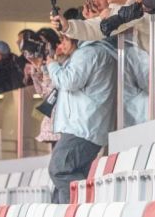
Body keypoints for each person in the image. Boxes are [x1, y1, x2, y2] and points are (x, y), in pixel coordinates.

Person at [46, 34, 116, 204]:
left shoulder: (87, 53)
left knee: (60, 170)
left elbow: (69, 81)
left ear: (76, 37)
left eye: (64, 40)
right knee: (69, 179)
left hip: (82, 127)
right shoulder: (94, 52)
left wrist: (52, 65)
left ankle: (83, 210)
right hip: (87, 126)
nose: (61, 45)